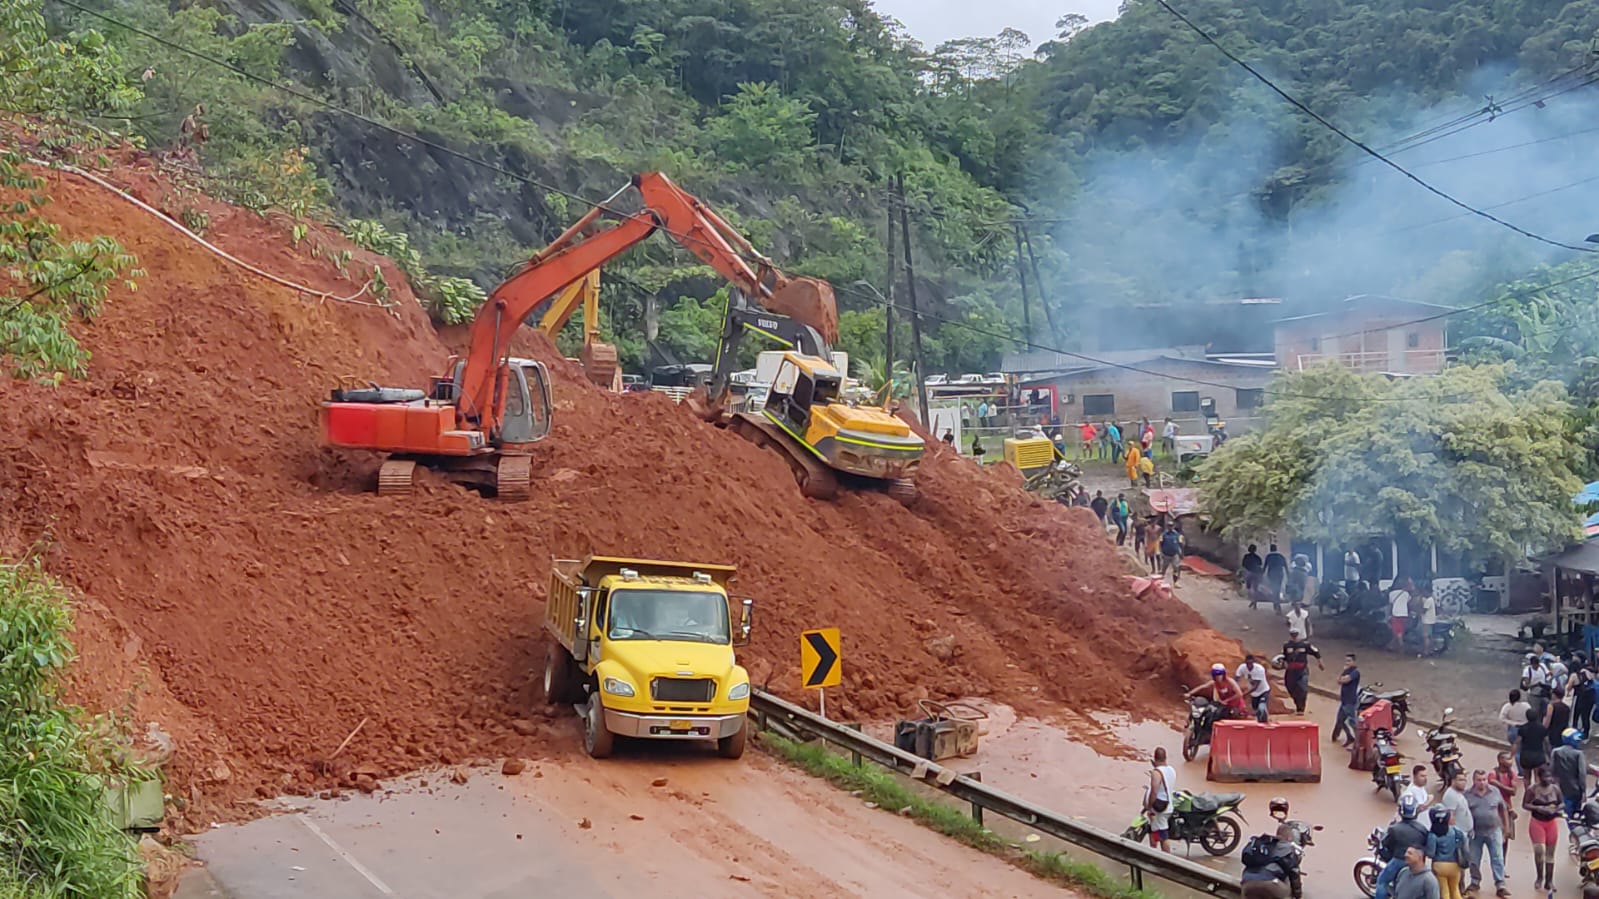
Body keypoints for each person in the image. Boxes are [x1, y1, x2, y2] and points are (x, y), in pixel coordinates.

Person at [1465, 769, 1511, 897]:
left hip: (1494, 830)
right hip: (1475, 833)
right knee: (1474, 859)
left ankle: (1500, 885)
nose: (1482, 782)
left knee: (1498, 858)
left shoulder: (1495, 791)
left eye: (1484, 779)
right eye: (1479, 780)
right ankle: (1474, 882)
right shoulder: (1467, 795)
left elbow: (1504, 809)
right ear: (1474, 781)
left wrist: (1506, 828)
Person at [1375, 797, 1432, 899]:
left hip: (1399, 860)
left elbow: (1386, 843)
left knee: (1381, 881)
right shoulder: (1422, 829)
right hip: (1418, 862)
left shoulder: (1394, 828)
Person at [1240, 822, 1304, 899]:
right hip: (1269, 883)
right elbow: (1294, 873)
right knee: (1287, 890)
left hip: (1247, 883)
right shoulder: (1287, 847)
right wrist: (1297, 895)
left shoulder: (1263, 845)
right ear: (1289, 837)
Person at [1523, 765, 1562, 891]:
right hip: (1537, 822)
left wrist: (1555, 809)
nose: (1548, 779)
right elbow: (1525, 804)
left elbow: (1562, 803)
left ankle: (1549, 881)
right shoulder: (1532, 789)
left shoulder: (1555, 789)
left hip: (1551, 823)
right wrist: (1538, 808)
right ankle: (1539, 877)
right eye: (1545, 777)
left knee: (1550, 854)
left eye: (1550, 776)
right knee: (1539, 851)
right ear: (1539, 777)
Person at [1426, 806, 1469, 899]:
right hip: (1454, 865)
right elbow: (1464, 840)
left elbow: (1430, 853)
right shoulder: (1454, 831)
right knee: (1455, 890)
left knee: (1444, 891)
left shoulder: (1432, 835)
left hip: (1439, 866)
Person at [1551, 727, 1593, 818]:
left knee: (1565, 811)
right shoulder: (1578, 754)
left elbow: (1552, 770)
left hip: (1560, 787)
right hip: (1575, 788)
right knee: (1575, 812)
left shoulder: (1555, 751)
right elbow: (1582, 774)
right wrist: (1583, 791)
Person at [1280, 629, 1322, 715]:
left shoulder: (1305, 645)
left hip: (1302, 670)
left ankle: (1301, 708)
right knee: (1290, 687)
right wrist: (1283, 663)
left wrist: (1320, 663)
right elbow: (1284, 656)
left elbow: (1316, 652)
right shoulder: (1287, 645)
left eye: (1295, 634)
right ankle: (1297, 703)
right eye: (1292, 634)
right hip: (1291, 671)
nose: (1294, 636)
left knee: (1302, 689)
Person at [1143, 747, 1177, 852]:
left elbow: (1154, 791)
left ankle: (1166, 858)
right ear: (1165, 758)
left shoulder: (1156, 772)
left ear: (1155, 758)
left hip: (1159, 808)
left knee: (1163, 834)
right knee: (1155, 829)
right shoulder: (1171, 770)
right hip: (1169, 805)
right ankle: (1154, 852)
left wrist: (1149, 806)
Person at [1332, 654, 1361, 747]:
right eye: (1346, 661)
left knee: (1352, 722)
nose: (1347, 663)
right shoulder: (1346, 671)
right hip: (1344, 700)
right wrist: (1342, 677)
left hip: (1350, 700)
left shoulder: (1355, 672)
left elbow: (1345, 680)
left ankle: (1359, 740)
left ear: (1354, 662)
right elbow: (1339, 680)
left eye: (1349, 661)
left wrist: (1342, 679)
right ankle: (1349, 737)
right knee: (1340, 720)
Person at [1513, 707, 1548, 779]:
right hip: (1538, 755)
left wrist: (1511, 755)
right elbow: (1546, 742)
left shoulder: (1523, 728)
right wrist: (1548, 755)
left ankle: (1527, 790)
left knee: (1526, 777)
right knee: (1538, 776)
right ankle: (1537, 790)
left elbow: (1516, 743)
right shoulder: (1542, 728)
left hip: (1526, 755)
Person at [1439, 770, 1472, 845]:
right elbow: (1450, 817)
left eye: (1464, 780)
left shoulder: (1458, 793)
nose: (1463, 782)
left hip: (1465, 833)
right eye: (1460, 780)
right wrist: (1457, 835)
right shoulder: (1450, 795)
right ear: (1453, 781)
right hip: (1459, 836)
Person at [1237, 654, 1272, 723]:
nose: (1249, 666)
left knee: (1261, 707)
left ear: (1253, 662)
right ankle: (1260, 722)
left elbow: (1255, 686)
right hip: (1254, 694)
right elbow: (1236, 678)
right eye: (1247, 663)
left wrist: (1243, 694)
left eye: (1250, 663)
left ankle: (1265, 721)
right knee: (1256, 711)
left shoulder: (1259, 669)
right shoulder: (1242, 668)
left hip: (1263, 691)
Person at [1389, 581, 1413, 653]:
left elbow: (1391, 604)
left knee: (1397, 631)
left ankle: (1401, 646)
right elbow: (1409, 602)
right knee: (1400, 630)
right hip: (1404, 614)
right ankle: (1392, 645)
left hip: (1395, 613)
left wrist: (1389, 614)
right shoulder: (1406, 593)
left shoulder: (1391, 593)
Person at [1263, 544, 1288, 609]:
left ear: (1270, 549)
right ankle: (1277, 603)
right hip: (1279, 574)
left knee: (1274, 588)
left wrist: (1262, 573)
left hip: (1271, 574)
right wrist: (1288, 574)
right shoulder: (1281, 556)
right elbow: (1285, 566)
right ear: (1276, 548)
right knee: (1278, 588)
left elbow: (1265, 566)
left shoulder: (1268, 556)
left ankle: (1275, 603)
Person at [1575, 666, 1597, 739]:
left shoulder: (1588, 679)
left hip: (1585, 698)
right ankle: (1584, 732)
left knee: (1584, 716)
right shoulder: (1593, 682)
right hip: (1587, 698)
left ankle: (1584, 733)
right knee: (1584, 716)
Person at [1419, 585, 1438, 656]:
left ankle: (1426, 652)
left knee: (1425, 637)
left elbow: (1423, 610)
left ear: (1427, 591)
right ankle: (1431, 650)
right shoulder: (1432, 599)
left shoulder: (1428, 600)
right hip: (1432, 620)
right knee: (1430, 636)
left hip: (1426, 621)